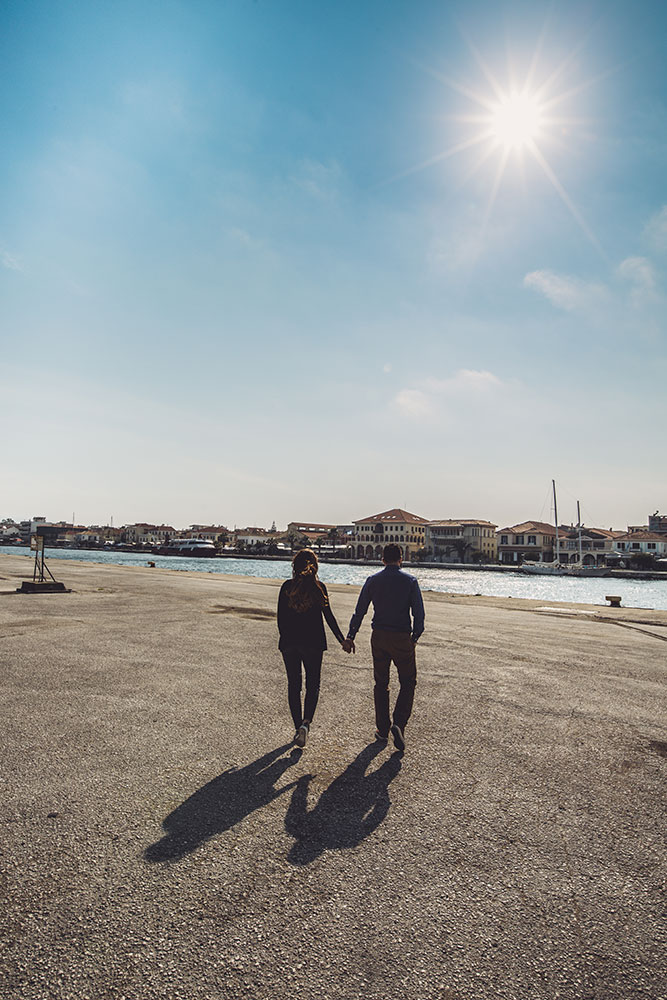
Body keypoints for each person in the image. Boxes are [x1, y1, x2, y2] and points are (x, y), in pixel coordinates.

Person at [343, 543, 424, 752]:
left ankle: (382, 729)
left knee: (381, 683)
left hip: (379, 636)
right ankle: (399, 723)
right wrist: (415, 637)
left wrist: (351, 635)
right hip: (401, 636)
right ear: (401, 559)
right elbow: (419, 614)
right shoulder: (410, 581)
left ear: (382, 559)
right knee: (408, 681)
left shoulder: (373, 580)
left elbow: (359, 610)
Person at [277, 548, 347, 747]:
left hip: (290, 643)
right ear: (315, 567)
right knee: (313, 684)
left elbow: (280, 619)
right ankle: (306, 725)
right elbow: (329, 617)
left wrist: (285, 640)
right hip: (313, 643)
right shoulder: (319, 588)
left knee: (294, 685)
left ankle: (297, 726)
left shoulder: (286, 587)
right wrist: (342, 639)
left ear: (294, 566)